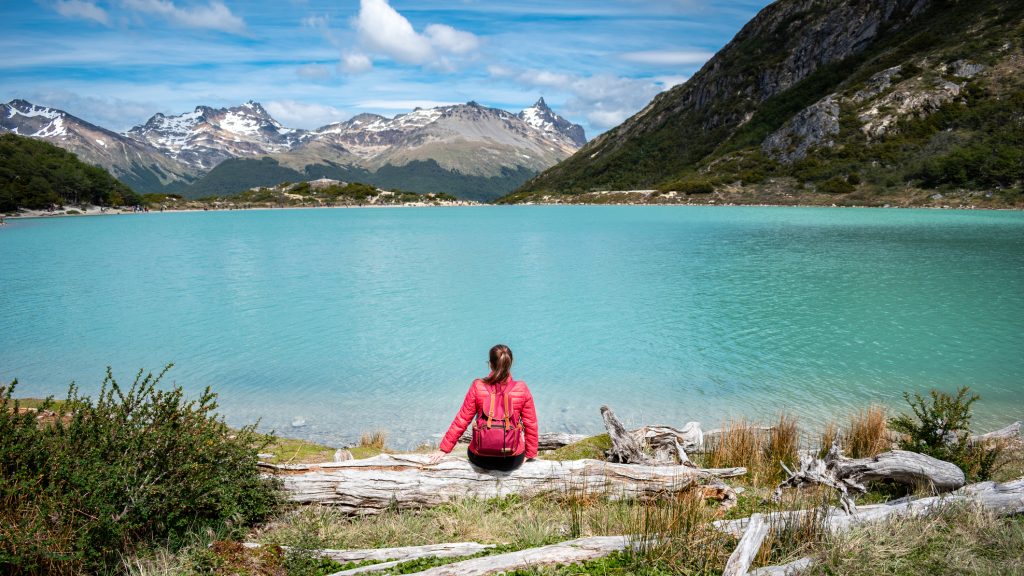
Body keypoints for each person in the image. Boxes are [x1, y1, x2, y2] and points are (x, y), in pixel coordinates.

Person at [428, 344, 538, 471]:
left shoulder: (478, 386)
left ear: (490, 364)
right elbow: (531, 424)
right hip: (512, 460)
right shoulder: (521, 388)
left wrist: (444, 449)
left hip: (480, 458)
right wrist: (530, 453)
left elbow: (462, 420)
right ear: (510, 363)